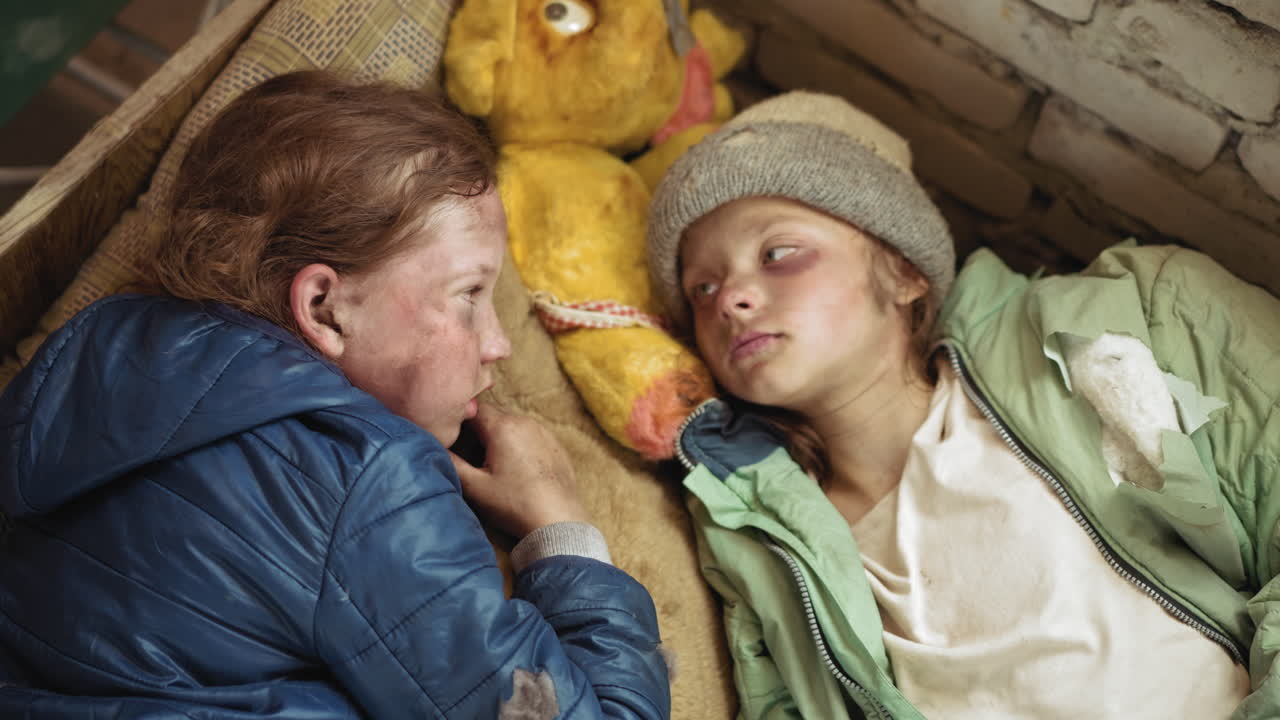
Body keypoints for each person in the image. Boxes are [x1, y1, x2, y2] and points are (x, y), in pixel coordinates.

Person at [0, 70, 670, 719]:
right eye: (470, 295)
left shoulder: (90, 344)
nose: (500, 343)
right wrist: (560, 529)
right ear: (323, 307)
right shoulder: (368, 480)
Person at [645, 90, 1280, 719]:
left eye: (777, 253)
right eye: (702, 287)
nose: (731, 299)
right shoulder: (753, 530)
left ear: (903, 272)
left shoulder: (1124, 322)